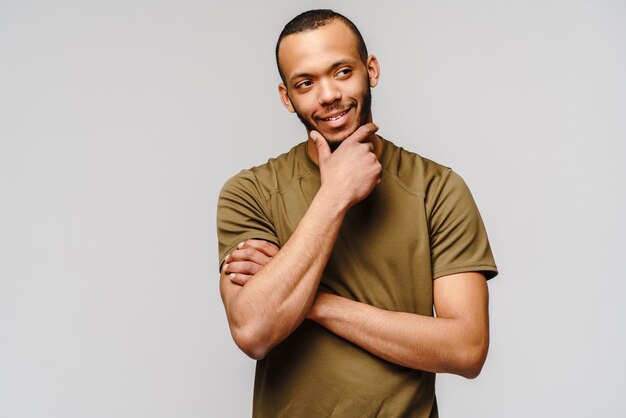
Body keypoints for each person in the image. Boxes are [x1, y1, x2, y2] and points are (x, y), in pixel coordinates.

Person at [216, 9, 498, 418]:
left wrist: (313, 303)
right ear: (286, 96)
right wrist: (335, 196)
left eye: (342, 72)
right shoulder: (251, 192)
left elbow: (467, 348)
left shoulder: (436, 188)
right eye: (306, 83)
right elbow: (253, 331)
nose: (328, 95)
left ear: (371, 70)